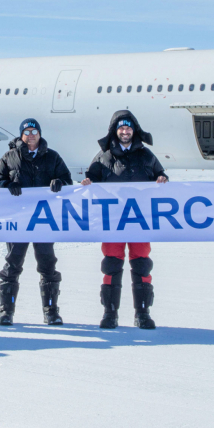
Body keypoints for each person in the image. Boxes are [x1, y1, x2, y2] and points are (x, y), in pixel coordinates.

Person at [80, 111, 168, 330]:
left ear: (134, 130)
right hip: (113, 221)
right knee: (111, 264)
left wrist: (162, 179)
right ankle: (110, 313)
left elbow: (162, 177)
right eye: (121, 128)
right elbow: (91, 180)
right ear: (115, 131)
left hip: (139, 220)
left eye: (128, 128)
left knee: (142, 264)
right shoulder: (103, 156)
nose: (125, 131)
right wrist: (87, 182)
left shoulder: (146, 155)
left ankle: (142, 313)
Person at [0, 118, 73, 326]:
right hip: (18, 220)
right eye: (26, 132)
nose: (31, 135)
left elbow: (67, 181)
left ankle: (51, 311)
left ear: (40, 134)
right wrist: (7, 185)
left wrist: (59, 183)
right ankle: (6, 311)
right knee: (12, 265)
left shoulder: (52, 157)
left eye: (34, 131)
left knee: (47, 265)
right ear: (21, 135)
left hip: (43, 221)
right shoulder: (10, 157)